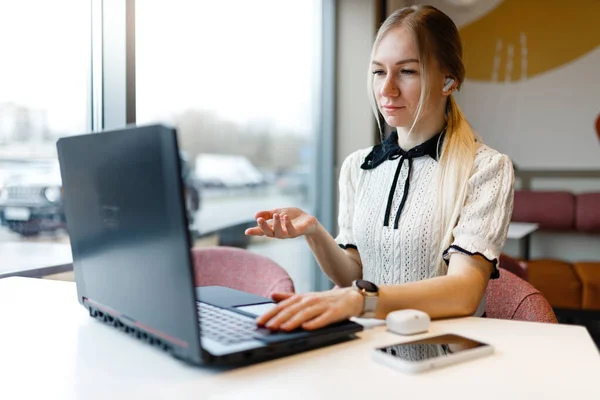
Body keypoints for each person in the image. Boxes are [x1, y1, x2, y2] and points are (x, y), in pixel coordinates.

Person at [245, 5, 514, 332]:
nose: (387, 89)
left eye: (407, 71)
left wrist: (362, 300)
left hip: (445, 360)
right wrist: (314, 232)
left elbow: (464, 292)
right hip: (371, 353)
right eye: (378, 72)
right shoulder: (358, 167)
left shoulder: (486, 167)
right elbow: (355, 275)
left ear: (448, 80)